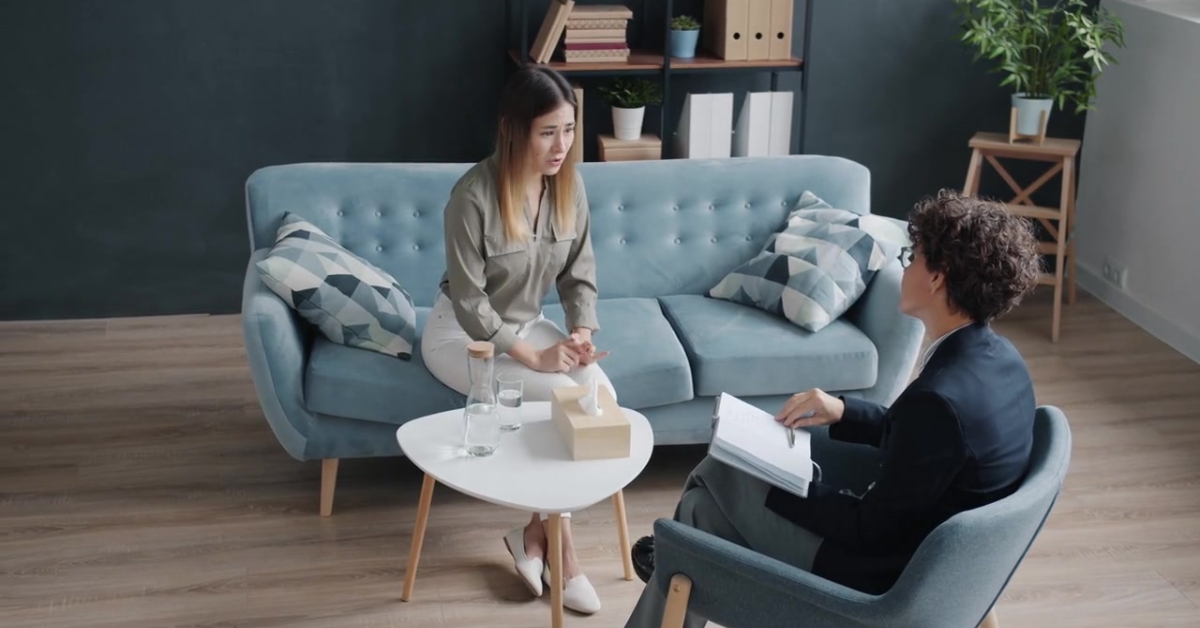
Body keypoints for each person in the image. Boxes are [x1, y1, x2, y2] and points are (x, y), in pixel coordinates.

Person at [623, 190, 1044, 628]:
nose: (904, 268)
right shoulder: (1002, 362)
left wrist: (787, 482)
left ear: (937, 277)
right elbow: (929, 448)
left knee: (723, 471)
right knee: (699, 516)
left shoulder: (938, 401)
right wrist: (843, 411)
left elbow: (867, 528)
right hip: (951, 577)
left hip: (879, 587)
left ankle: (667, 554)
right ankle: (671, 553)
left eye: (912, 256)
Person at [421, 65, 613, 615]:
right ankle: (566, 555)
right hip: (463, 336)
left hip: (526, 327)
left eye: (569, 129)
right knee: (558, 398)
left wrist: (578, 333)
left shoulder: (570, 189)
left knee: (598, 395)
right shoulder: (472, 197)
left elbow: (580, 274)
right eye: (547, 131)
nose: (562, 145)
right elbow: (471, 304)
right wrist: (536, 356)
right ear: (513, 128)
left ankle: (535, 536)